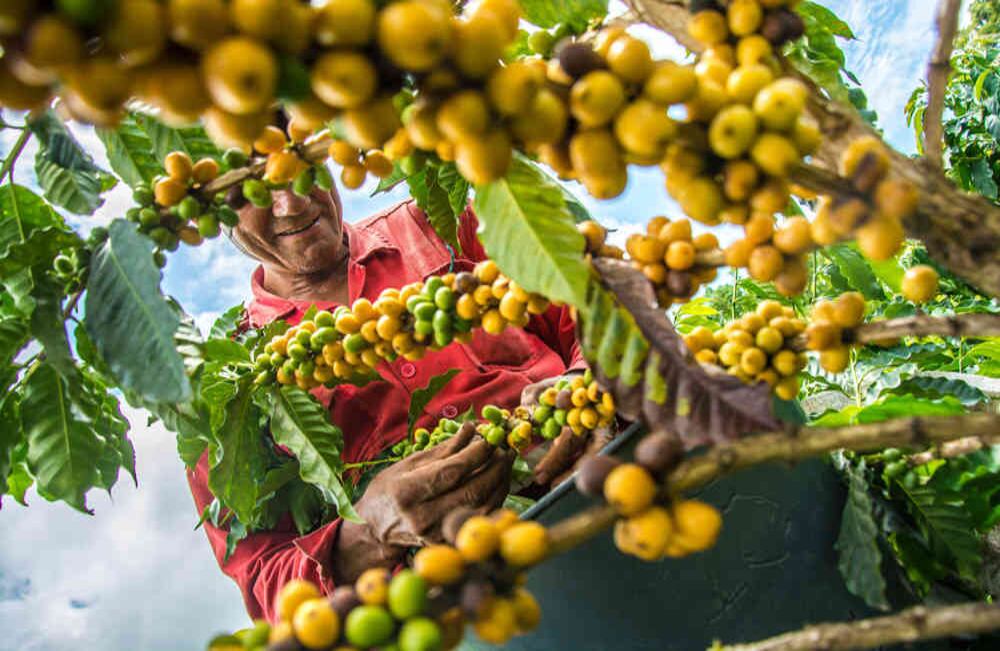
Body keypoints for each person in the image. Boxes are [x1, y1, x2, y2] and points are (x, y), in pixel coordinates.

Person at [186, 179, 597, 623]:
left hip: (599, 481)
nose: (292, 203)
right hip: (463, 605)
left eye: (299, 170)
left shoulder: (443, 224)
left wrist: (587, 385)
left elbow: (595, 303)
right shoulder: (227, 389)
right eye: (251, 192)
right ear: (212, 211)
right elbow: (266, 580)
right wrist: (366, 534)